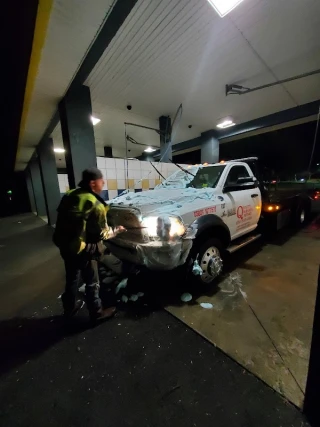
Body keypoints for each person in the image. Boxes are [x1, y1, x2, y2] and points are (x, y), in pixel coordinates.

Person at [53, 167, 124, 322]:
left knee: (71, 278)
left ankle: (69, 308)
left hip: (65, 245)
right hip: (84, 249)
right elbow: (102, 233)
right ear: (93, 183)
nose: (103, 182)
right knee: (92, 282)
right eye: (101, 180)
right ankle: (97, 313)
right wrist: (117, 230)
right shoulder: (95, 203)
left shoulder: (70, 195)